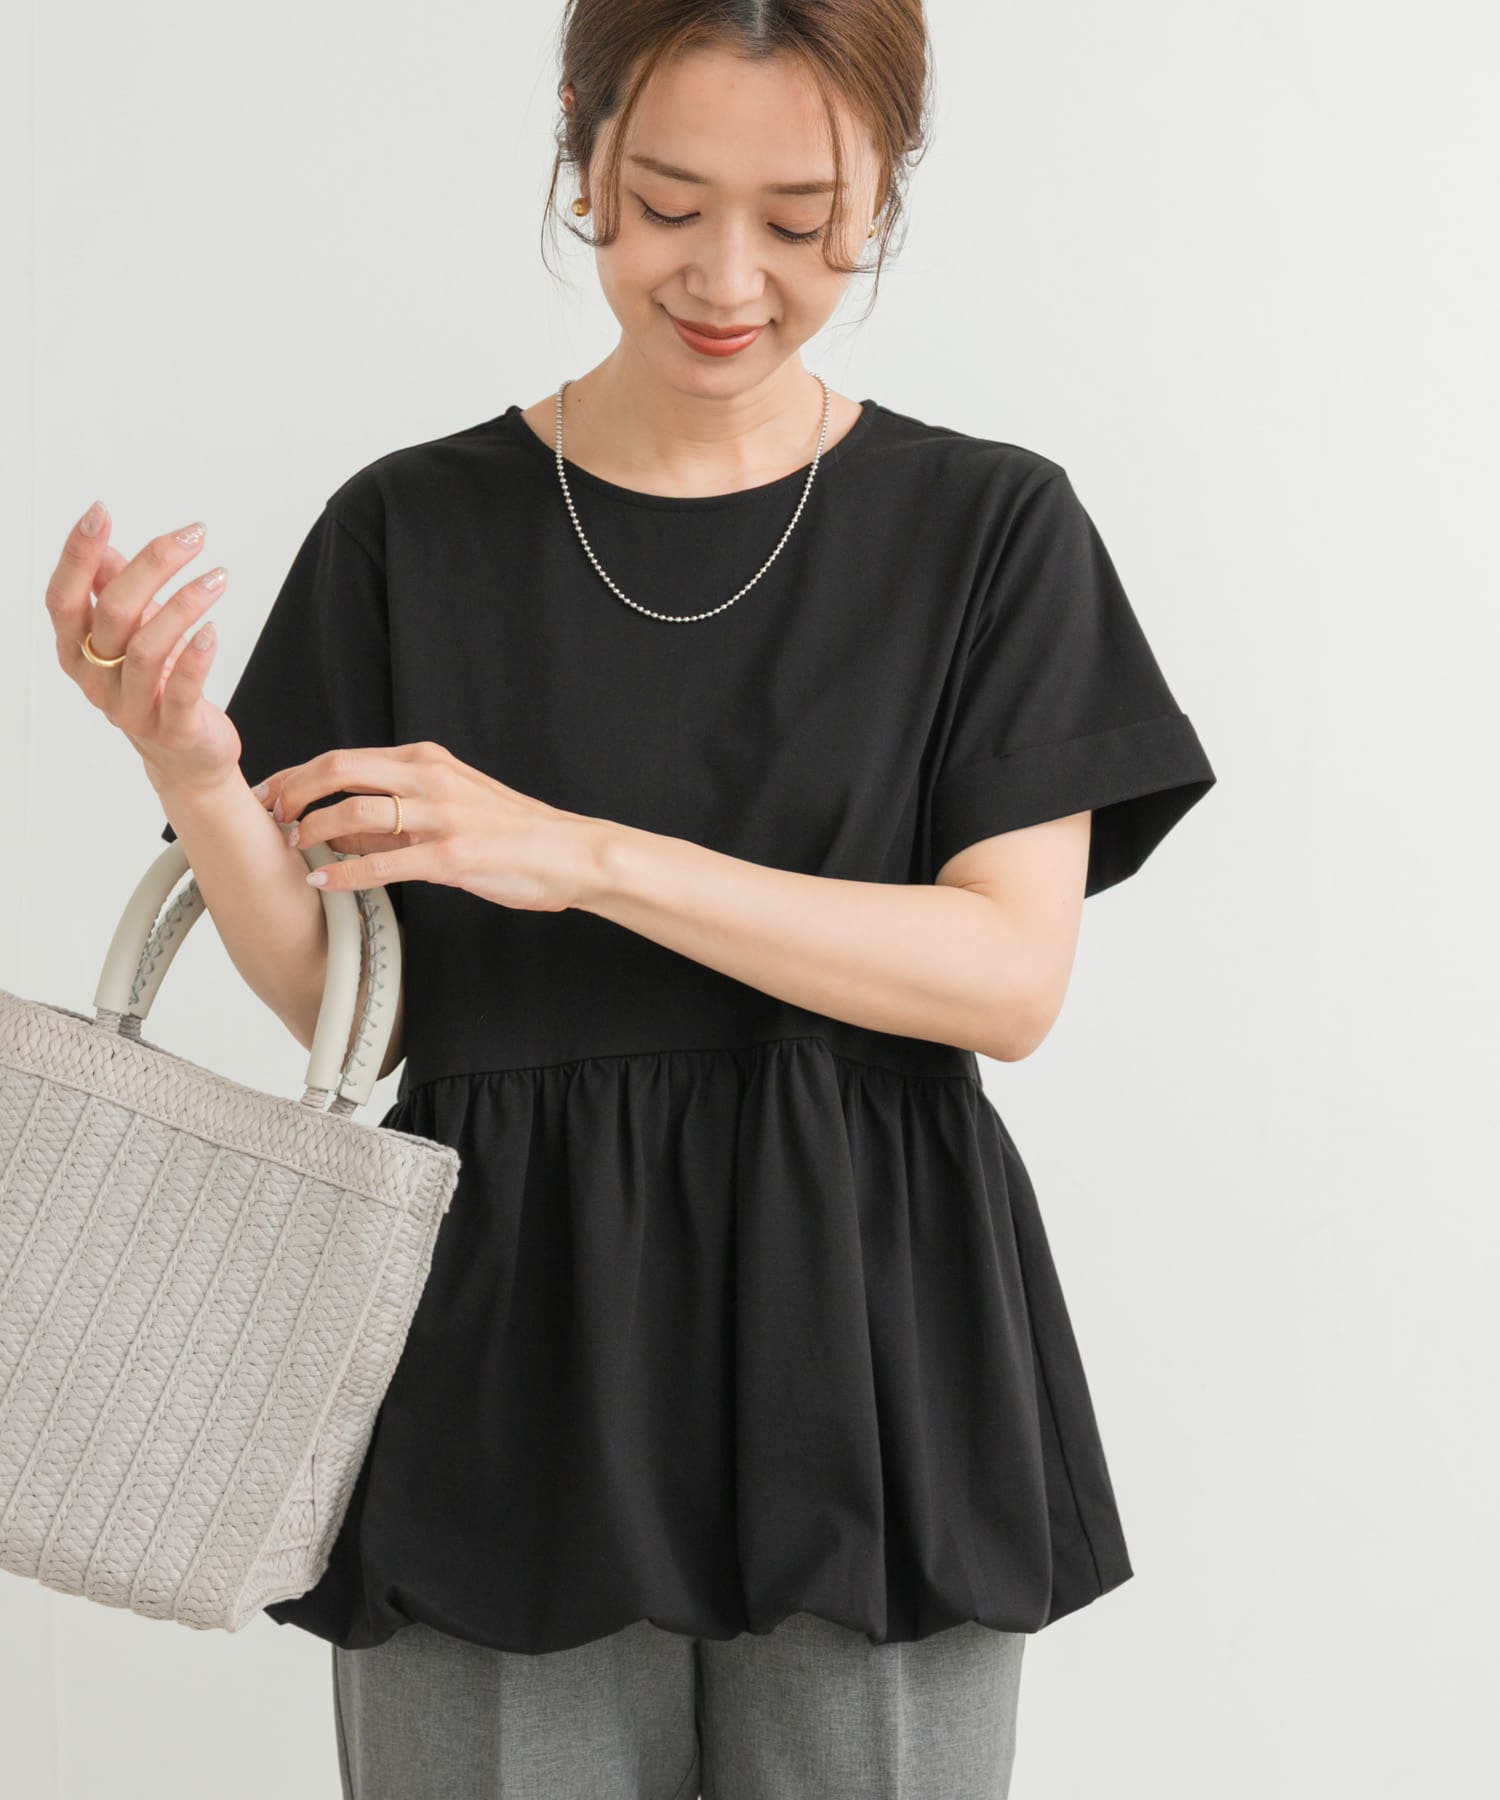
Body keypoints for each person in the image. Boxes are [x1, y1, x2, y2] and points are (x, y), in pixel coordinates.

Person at [51, 4, 1216, 1795]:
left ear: (883, 194)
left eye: (803, 221)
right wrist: (195, 777)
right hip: (499, 1353)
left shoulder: (988, 528)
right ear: (580, 150)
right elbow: (353, 1014)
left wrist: (584, 855)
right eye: (668, 205)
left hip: (869, 1352)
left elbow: (1005, 976)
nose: (728, 277)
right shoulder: (408, 529)